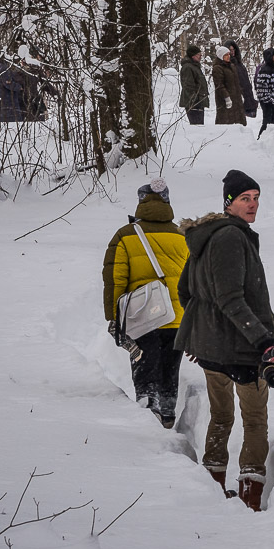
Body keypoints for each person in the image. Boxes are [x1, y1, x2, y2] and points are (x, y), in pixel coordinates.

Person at [176, 170, 274, 511]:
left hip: (212, 350)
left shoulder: (206, 236)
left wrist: (203, 333)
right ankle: (250, 497)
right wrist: (264, 341)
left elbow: (185, 291)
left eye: (255, 198)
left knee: (221, 418)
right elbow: (230, 299)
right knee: (253, 420)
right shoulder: (231, 238)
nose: (252, 205)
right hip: (241, 349)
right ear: (229, 203)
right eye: (244, 199)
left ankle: (213, 486)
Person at [102, 178, 187, 428]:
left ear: (141, 202)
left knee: (146, 372)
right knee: (169, 372)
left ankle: (151, 422)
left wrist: (114, 318)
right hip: (177, 316)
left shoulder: (125, 235)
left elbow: (114, 278)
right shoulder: (183, 236)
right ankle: (168, 417)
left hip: (143, 317)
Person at [254, 48, 274, 138]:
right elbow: (261, 89)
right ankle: (261, 140)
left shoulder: (271, 68)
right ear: (270, 57)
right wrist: (270, 100)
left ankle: (272, 140)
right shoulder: (265, 70)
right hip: (268, 103)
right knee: (267, 124)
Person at [213, 46, 247, 126]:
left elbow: (236, 82)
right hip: (225, 99)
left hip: (236, 98)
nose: (228, 56)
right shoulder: (218, 68)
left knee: (238, 120)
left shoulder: (232, 66)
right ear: (221, 56)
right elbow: (219, 85)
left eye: (229, 54)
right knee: (226, 120)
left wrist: (240, 93)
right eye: (226, 55)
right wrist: (226, 97)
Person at [226, 41, 257, 120]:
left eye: (233, 50)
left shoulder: (239, 64)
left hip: (247, 97)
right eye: (230, 50)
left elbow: (246, 82)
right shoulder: (228, 65)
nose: (232, 52)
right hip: (238, 99)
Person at [179, 45, 210, 125]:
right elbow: (188, 86)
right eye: (198, 55)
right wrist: (194, 100)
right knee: (196, 127)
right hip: (193, 103)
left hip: (198, 102)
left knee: (199, 125)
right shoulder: (188, 68)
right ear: (193, 56)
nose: (200, 57)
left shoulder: (195, 66)